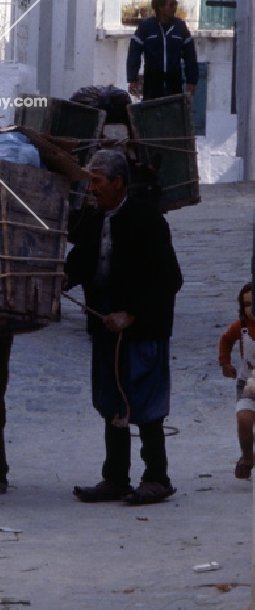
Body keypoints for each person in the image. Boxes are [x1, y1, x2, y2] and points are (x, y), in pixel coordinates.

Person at [65, 149, 183, 505]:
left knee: (145, 401)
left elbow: (169, 279)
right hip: (104, 325)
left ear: (118, 183)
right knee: (112, 399)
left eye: (97, 180)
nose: (92, 188)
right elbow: (80, 262)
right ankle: (115, 478)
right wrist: (60, 279)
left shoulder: (148, 220)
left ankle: (156, 478)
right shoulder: (91, 218)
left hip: (142, 327)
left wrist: (131, 314)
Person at [126, 0, 198, 100]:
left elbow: (190, 56)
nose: (175, 8)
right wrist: (132, 79)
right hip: (152, 83)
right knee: (152, 114)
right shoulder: (146, 27)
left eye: (176, 4)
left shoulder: (180, 27)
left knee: (172, 115)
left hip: (174, 83)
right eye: (171, 4)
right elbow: (134, 54)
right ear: (160, 7)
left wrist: (191, 81)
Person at [219, 282, 255, 480]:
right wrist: (225, 363)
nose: (251, 309)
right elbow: (225, 340)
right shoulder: (240, 327)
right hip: (248, 384)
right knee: (244, 420)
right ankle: (247, 457)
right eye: (247, 305)